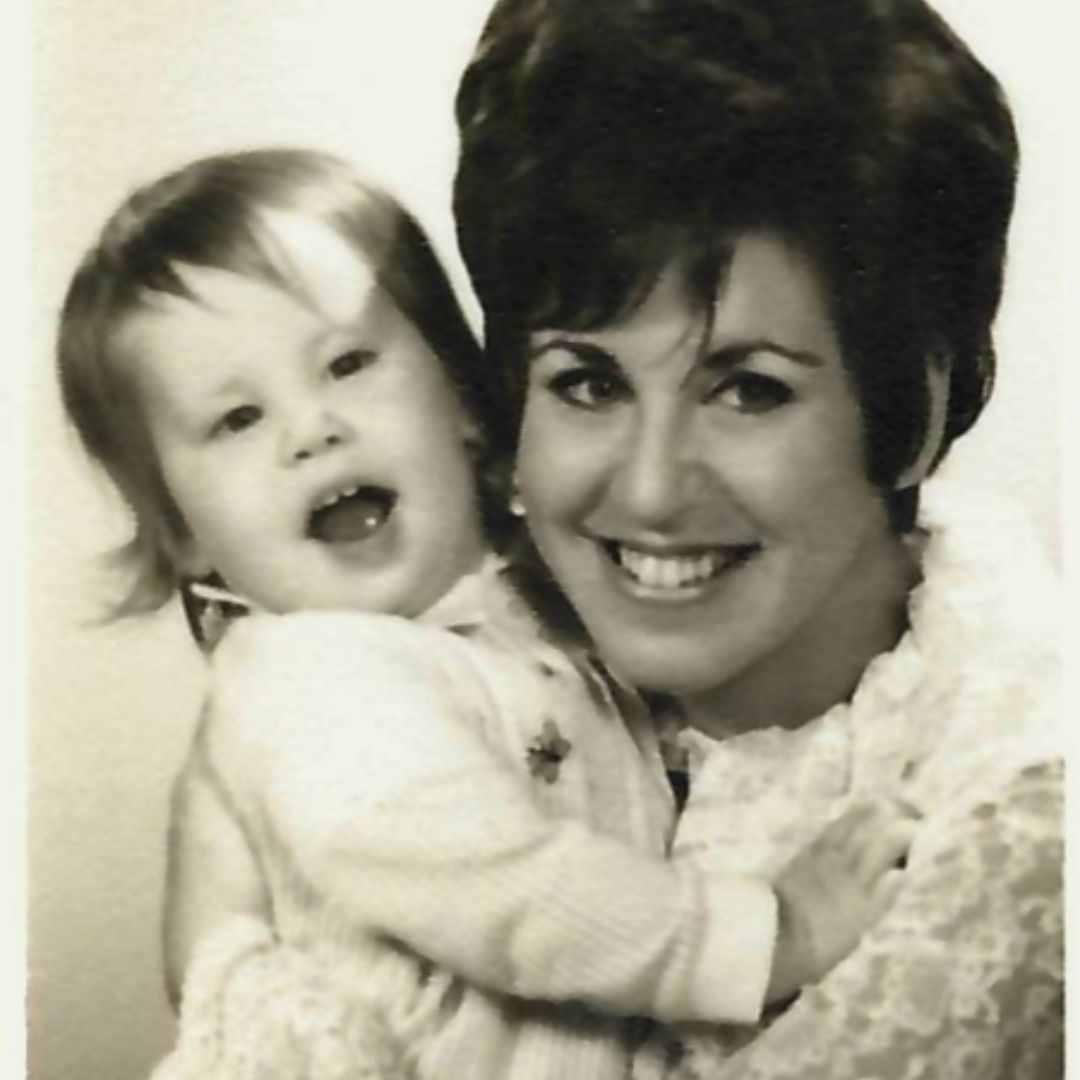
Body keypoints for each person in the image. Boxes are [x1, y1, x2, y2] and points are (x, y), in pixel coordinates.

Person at [56, 147, 911, 1080]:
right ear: (183, 531)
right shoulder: (312, 680)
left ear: (464, 399)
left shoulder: (530, 606)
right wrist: (768, 937)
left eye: (346, 363)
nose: (313, 430)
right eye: (238, 419)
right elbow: (506, 892)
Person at [452, 0, 1063, 1076]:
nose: (650, 488)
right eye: (587, 381)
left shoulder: (1024, 823)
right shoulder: (444, 668)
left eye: (747, 389)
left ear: (913, 414)